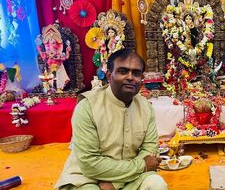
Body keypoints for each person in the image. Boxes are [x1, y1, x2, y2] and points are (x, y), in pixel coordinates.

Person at [55, 48, 168, 190]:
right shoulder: (87, 107)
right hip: (86, 179)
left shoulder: (146, 107)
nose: (130, 77)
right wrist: (142, 165)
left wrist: (116, 183)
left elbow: (150, 151)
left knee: (157, 184)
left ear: (141, 80)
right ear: (109, 75)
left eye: (136, 73)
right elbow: (90, 164)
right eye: (123, 71)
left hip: (129, 177)